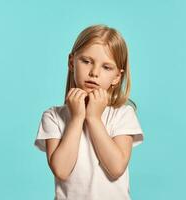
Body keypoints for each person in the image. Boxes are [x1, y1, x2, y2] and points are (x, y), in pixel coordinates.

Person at [34, 24, 144, 200]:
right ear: (71, 62)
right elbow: (61, 170)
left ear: (117, 76)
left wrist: (93, 118)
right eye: (86, 61)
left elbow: (116, 168)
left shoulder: (123, 115)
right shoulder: (53, 116)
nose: (94, 73)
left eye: (106, 67)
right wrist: (77, 118)